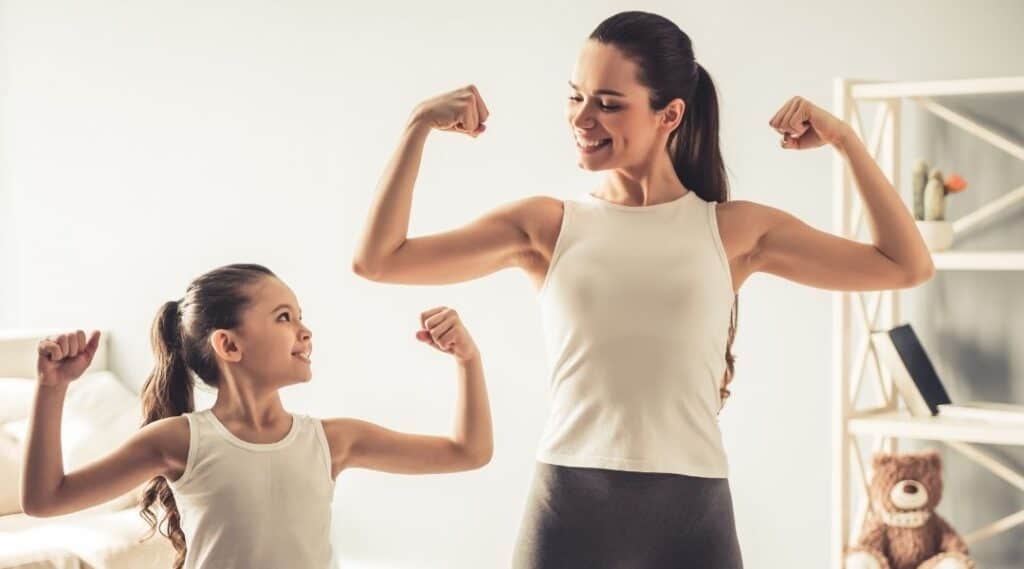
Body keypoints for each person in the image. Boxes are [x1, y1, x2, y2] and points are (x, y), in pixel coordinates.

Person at [353, 10, 934, 568]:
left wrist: (845, 141)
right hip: (568, 507)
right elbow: (379, 260)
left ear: (669, 115)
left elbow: (904, 266)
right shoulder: (545, 228)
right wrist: (417, 127)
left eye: (608, 104)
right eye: (576, 96)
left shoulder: (732, 231)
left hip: (693, 519)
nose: (583, 119)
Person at [21, 263, 493, 569]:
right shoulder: (180, 441)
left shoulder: (334, 440)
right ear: (228, 345)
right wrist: (52, 388)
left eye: (300, 316)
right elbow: (46, 499)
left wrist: (468, 360)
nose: (306, 331)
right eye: (284, 317)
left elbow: (468, 452)